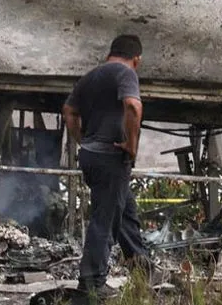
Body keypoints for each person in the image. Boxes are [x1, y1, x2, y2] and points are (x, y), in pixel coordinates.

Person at [62, 34, 155, 299]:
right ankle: (91, 282)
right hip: (112, 157)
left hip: (91, 156)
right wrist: (131, 145)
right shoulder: (125, 73)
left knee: (125, 209)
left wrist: (83, 140)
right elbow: (133, 107)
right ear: (136, 59)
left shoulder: (89, 77)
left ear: (110, 52)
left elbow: (68, 111)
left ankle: (141, 266)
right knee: (105, 218)